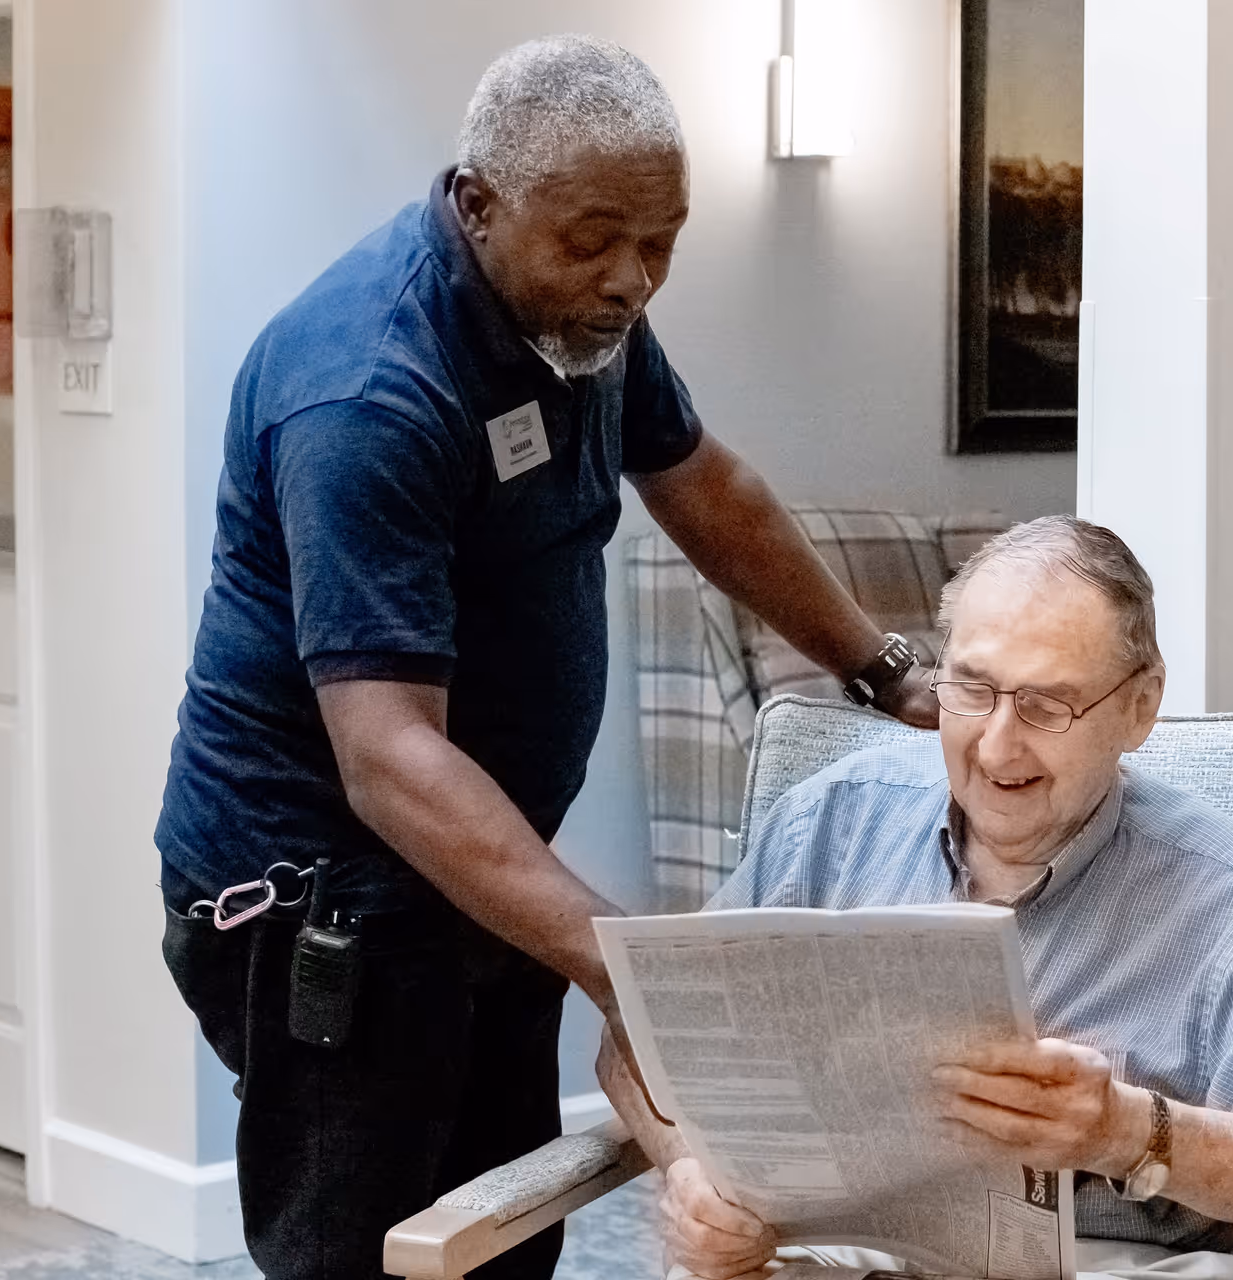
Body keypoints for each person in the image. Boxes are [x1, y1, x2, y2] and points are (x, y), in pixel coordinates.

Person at [155, 35, 935, 1280]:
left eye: (662, 241)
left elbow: (711, 490)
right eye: (594, 239)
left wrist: (886, 669)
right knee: (365, 1251)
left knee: (506, 1226)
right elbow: (391, 756)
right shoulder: (368, 391)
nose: (633, 279)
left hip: (482, 877)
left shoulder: (582, 317)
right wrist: (630, 960)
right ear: (478, 203)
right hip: (324, 905)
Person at [601, 516, 1233, 1280]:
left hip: (1097, 1267)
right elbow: (635, 1037)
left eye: (1046, 705)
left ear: (1140, 706)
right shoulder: (828, 824)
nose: (997, 747)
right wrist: (687, 1171)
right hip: (827, 1252)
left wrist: (1125, 1130)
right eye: (970, 689)